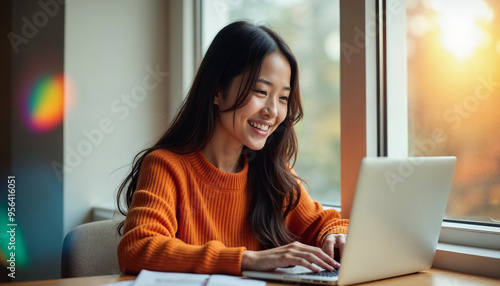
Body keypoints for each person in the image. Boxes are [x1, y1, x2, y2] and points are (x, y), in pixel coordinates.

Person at [116, 20, 349, 276]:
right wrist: (249, 259)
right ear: (217, 91)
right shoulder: (166, 166)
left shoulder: (270, 171)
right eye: (261, 91)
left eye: (283, 97)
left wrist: (336, 235)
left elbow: (326, 223)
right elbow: (138, 248)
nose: (273, 111)